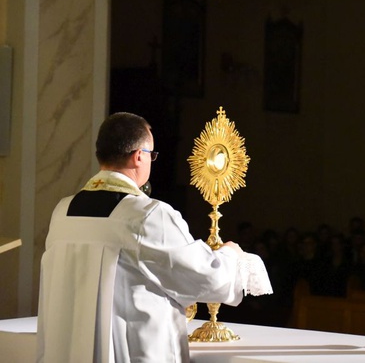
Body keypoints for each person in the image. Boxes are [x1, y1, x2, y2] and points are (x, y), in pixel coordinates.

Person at [36, 112, 272, 362]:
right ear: (139, 156)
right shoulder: (147, 215)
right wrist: (231, 254)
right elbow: (206, 276)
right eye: (152, 155)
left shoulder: (63, 211)